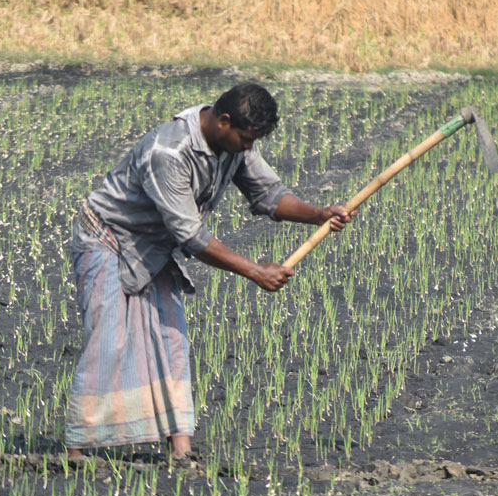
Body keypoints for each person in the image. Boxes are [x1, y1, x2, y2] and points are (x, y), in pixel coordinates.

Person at [66, 82, 353, 460]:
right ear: (223, 121)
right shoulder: (167, 152)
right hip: (109, 238)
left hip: (156, 243)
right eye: (247, 139)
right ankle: (76, 450)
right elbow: (191, 235)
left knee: (171, 339)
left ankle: (180, 449)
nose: (250, 148)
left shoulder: (232, 145)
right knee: (108, 340)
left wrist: (319, 214)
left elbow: (268, 195)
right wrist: (255, 272)